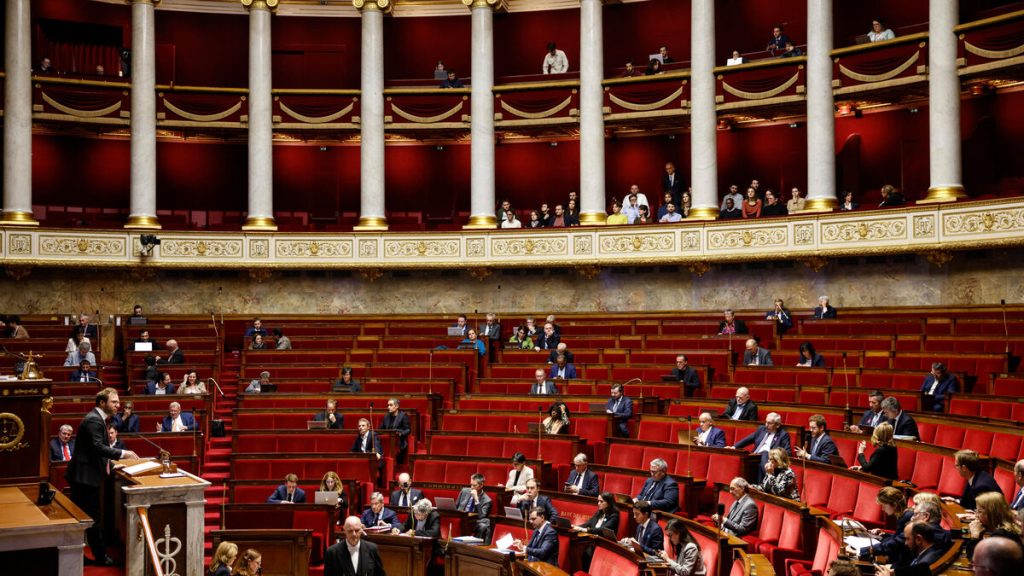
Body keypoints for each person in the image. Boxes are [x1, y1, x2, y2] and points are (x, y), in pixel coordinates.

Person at [66, 388, 140, 566]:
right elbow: (98, 448)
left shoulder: (97, 419)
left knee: (88, 518)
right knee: (91, 519)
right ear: (102, 403)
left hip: (85, 476)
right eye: (114, 402)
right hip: (84, 478)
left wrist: (113, 465)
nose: (118, 405)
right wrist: (124, 453)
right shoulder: (94, 420)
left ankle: (88, 554)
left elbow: (94, 452)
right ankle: (100, 558)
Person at [731, 412, 791, 481]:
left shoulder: (783, 435)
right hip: (754, 457)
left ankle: (768, 478)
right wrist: (734, 447)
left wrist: (774, 456)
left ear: (777, 425)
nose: (766, 425)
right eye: (766, 422)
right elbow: (748, 439)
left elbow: (788, 452)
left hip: (769, 459)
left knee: (764, 453)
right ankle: (769, 479)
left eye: (769, 423)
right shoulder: (761, 429)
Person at [967, 493, 1023, 558]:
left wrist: (975, 536)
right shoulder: (1007, 527)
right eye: (976, 510)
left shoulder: (1001, 535)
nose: (976, 515)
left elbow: (979, 559)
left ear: (992, 514)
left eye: (979, 511)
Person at [456, 473, 493, 541]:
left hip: (473, 521)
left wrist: (476, 499)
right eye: (471, 484)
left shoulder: (487, 500)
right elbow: (457, 506)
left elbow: (481, 516)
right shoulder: (464, 491)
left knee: (482, 526)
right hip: (461, 517)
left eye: (474, 485)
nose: (472, 487)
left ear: (481, 485)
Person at [381, 398, 411, 465]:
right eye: (388, 405)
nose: (388, 407)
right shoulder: (386, 416)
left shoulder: (403, 416)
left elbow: (408, 430)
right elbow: (381, 429)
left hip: (399, 440)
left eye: (391, 405)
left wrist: (400, 433)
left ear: (397, 406)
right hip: (387, 441)